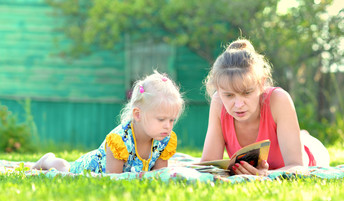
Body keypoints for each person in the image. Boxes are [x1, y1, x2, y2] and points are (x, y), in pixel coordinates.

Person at [201, 38, 330, 176]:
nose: (238, 105)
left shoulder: (278, 99)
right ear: (218, 90)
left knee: (304, 141)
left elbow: (297, 166)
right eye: (229, 95)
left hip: (312, 153)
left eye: (247, 93)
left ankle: (303, 136)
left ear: (262, 83)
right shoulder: (218, 102)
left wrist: (265, 175)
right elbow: (209, 164)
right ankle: (299, 134)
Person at [32, 70, 185, 174]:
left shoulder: (164, 140)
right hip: (93, 168)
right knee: (66, 168)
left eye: (172, 120)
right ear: (138, 114)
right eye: (161, 119)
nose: (168, 126)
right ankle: (48, 160)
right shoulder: (120, 141)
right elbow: (113, 179)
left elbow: (159, 176)